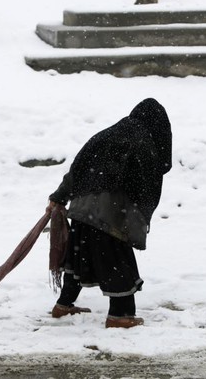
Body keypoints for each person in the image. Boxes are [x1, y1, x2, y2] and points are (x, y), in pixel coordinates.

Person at [46, 98, 172, 328]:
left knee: (79, 257)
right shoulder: (143, 142)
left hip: (81, 208)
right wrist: (136, 220)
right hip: (110, 214)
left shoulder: (105, 135)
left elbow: (78, 169)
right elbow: (144, 187)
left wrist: (59, 197)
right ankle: (120, 315)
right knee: (118, 262)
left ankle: (63, 305)